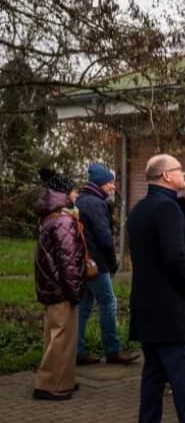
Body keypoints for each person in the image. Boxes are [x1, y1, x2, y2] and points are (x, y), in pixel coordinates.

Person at [128, 154, 185, 423]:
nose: (184, 173)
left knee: (153, 377)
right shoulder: (166, 208)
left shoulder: (140, 209)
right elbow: (176, 257)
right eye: (179, 169)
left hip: (148, 310)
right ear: (166, 176)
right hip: (172, 312)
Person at [75, 162, 139, 366]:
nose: (112, 186)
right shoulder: (96, 204)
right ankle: (113, 350)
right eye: (110, 183)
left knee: (84, 306)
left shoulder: (81, 200)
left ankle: (77, 351)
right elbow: (104, 238)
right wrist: (112, 263)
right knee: (108, 303)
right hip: (96, 263)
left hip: (83, 262)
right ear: (100, 183)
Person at [33, 169, 85, 401]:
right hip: (61, 288)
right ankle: (49, 384)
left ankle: (62, 380)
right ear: (64, 193)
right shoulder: (63, 221)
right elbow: (69, 261)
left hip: (50, 285)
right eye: (73, 191)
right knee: (62, 337)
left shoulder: (48, 217)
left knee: (54, 335)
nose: (76, 195)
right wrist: (75, 291)